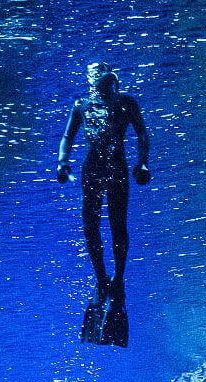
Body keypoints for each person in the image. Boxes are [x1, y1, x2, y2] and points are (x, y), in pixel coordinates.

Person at [55, 63, 150, 311]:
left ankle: (118, 278)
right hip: (93, 171)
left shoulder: (126, 101)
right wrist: (62, 161)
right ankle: (101, 278)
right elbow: (68, 136)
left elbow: (141, 132)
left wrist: (142, 163)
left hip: (116, 169)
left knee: (118, 225)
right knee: (90, 227)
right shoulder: (81, 105)